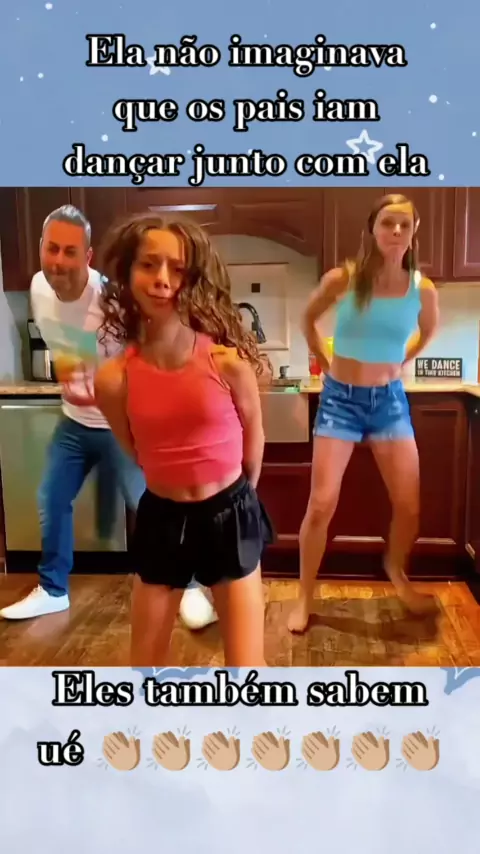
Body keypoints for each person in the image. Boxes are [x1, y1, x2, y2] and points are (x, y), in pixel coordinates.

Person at [0, 205, 213, 628]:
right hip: (74, 422)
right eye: (51, 249)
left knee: (152, 509)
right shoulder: (38, 287)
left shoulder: (113, 300)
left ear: (88, 256)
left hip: (122, 425)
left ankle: (188, 585)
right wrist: (72, 371)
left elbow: (147, 355)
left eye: (70, 252)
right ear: (40, 248)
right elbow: (70, 341)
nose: (58, 261)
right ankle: (53, 591)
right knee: (51, 499)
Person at [94, 213, 274, 666]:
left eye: (177, 269)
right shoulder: (114, 379)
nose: (161, 280)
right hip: (162, 520)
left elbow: (254, 442)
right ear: (127, 274)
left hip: (229, 515)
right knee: (144, 668)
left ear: (194, 279)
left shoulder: (227, 364)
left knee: (246, 670)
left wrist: (236, 500)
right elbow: (136, 450)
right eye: (148, 265)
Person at [288, 193, 440, 634]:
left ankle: (396, 570)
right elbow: (307, 318)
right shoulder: (345, 279)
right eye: (388, 222)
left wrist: (398, 361)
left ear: (414, 232)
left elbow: (428, 332)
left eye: (405, 224)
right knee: (321, 504)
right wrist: (325, 361)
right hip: (340, 401)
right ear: (372, 229)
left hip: (389, 401)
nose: (396, 231)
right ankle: (304, 597)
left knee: (409, 505)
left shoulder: (422, 289)